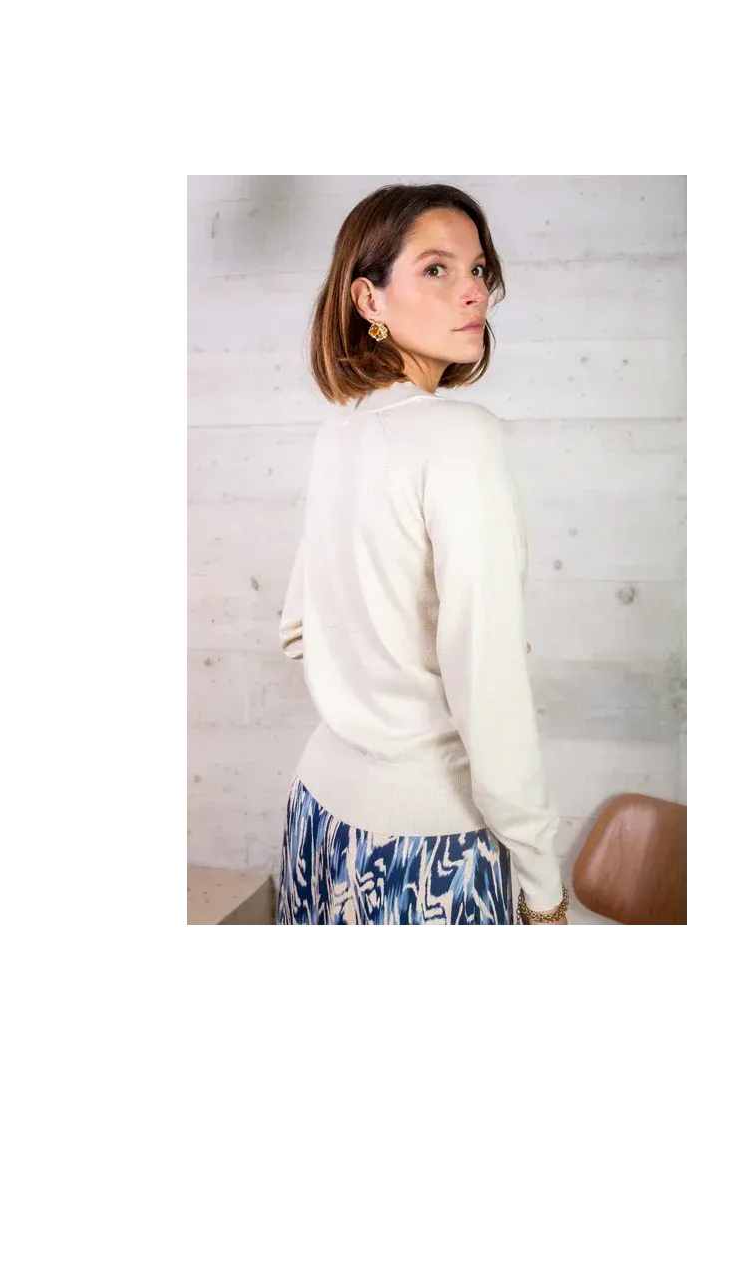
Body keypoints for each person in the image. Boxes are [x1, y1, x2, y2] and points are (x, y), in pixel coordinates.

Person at [275, 183, 568, 927]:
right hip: (427, 847)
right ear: (368, 299)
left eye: (478, 269)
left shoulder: (339, 431)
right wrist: (542, 888)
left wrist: (385, 673)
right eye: (437, 269)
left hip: (319, 818)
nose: (473, 291)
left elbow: (300, 628)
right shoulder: (461, 437)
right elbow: (489, 689)